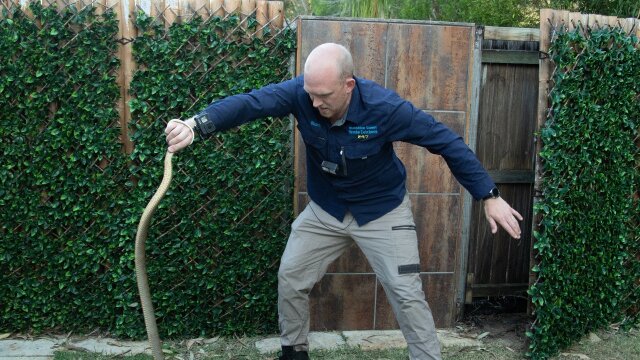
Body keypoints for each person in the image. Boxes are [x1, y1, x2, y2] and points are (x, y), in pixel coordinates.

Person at [165, 43, 523, 360]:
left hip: (382, 210)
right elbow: (251, 103)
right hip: (327, 210)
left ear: (349, 85)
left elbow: (445, 141)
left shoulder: (384, 107)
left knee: (406, 294)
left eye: (324, 95)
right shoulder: (301, 95)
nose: (315, 102)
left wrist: (488, 195)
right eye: (310, 94)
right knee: (291, 277)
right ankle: (293, 351)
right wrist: (197, 124)